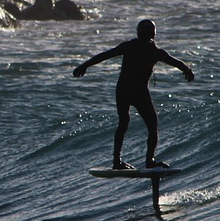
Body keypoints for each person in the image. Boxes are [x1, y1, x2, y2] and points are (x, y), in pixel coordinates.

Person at [73, 19, 195, 170]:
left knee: (123, 123)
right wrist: (187, 70)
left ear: (138, 32)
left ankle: (116, 161)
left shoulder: (128, 46)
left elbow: (104, 55)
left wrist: (84, 65)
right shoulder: (155, 52)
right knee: (152, 126)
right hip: (139, 93)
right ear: (153, 34)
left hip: (122, 90)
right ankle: (149, 160)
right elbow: (176, 62)